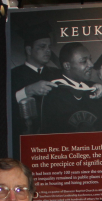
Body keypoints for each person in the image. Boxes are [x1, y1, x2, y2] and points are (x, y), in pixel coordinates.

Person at [10, 23, 62, 152]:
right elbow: (5, 109)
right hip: (26, 141)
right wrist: (27, 91)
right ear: (29, 50)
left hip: (55, 140)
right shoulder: (13, 75)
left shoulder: (57, 73)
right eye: (42, 47)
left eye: (49, 46)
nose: (48, 50)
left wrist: (96, 86)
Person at [40, 42, 102, 134]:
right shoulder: (53, 94)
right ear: (67, 66)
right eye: (84, 61)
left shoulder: (97, 90)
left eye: (90, 59)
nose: (91, 64)